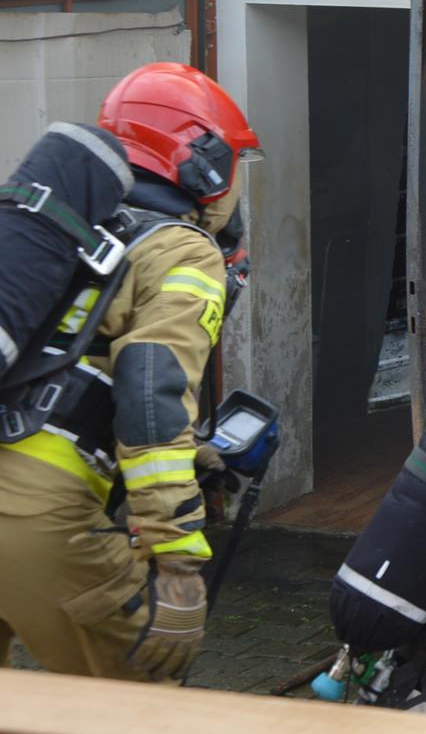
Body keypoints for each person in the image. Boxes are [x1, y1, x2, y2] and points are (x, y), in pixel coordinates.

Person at [0, 63, 258, 682]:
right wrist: (176, 559)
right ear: (204, 160)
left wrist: (189, 453)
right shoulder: (183, 248)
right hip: (37, 521)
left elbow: (63, 354)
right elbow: (152, 393)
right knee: (142, 698)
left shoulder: (64, 228)